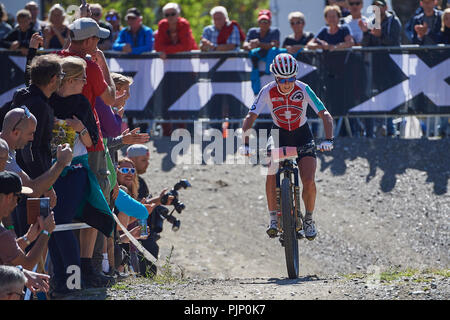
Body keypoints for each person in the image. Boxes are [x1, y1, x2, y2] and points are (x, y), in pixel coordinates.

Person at [240, 53, 334, 240]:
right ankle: (274, 218)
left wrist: (328, 139)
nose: (287, 83)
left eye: (291, 78)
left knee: (308, 180)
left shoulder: (304, 88)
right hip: (279, 135)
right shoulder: (267, 90)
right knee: (270, 172)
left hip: (302, 134)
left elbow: (325, 114)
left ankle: (308, 218)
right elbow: (250, 117)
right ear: (275, 77)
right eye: (282, 79)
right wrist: (245, 143)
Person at [57, 15, 118, 286]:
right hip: (89, 142)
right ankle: (90, 267)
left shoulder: (55, 58)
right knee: (96, 204)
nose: (99, 43)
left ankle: (72, 272)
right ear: (90, 41)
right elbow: (111, 98)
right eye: (97, 39)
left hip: (57, 144)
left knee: (64, 207)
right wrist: (103, 65)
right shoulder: (91, 66)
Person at [0, 171, 56, 270]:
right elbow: (27, 265)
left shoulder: (4, 237)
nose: (17, 204)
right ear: (9, 197)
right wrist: (46, 232)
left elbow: (8, 250)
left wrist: (28, 238)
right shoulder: (3, 235)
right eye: (18, 198)